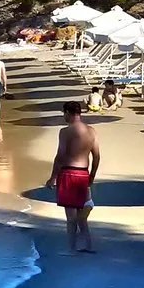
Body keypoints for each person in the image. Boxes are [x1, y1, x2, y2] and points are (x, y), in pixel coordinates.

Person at [47, 101, 101, 254]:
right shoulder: (91, 131)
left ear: (68, 113)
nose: (63, 116)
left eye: (64, 113)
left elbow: (61, 155)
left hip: (68, 173)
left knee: (71, 217)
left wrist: (53, 177)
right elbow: (96, 156)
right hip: (83, 173)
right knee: (82, 216)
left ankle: (72, 249)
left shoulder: (65, 132)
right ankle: (88, 246)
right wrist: (92, 176)